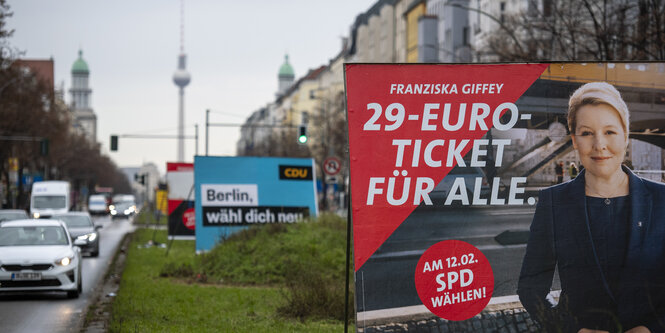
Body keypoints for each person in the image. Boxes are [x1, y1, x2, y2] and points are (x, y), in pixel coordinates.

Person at [517, 82, 665, 333]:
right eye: (586, 133)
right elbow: (530, 288)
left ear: (626, 135)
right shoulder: (553, 203)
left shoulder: (662, 199)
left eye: (610, 131)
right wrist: (571, 330)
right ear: (574, 140)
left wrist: (652, 328)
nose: (599, 145)